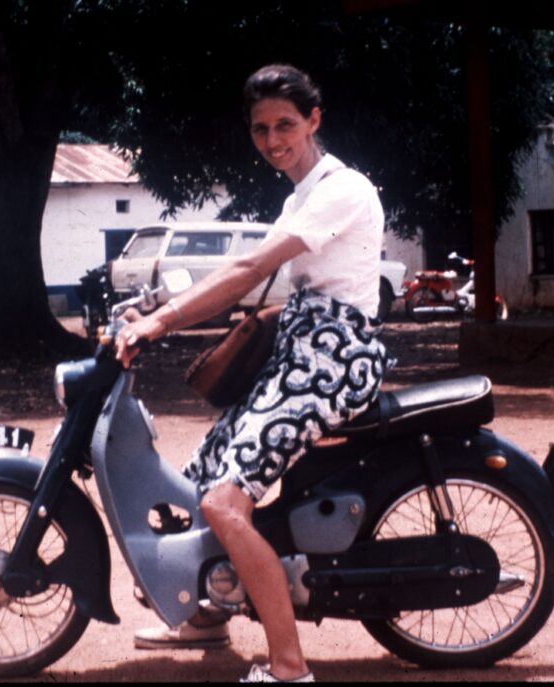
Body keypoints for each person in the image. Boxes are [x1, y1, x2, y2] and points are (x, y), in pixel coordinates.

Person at [115, 64, 393, 683]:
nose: (273, 140)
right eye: (261, 129)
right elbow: (248, 278)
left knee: (223, 501)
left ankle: (290, 667)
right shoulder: (300, 195)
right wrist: (158, 305)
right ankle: (208, 610)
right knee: (198, 477)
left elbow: (247, 269)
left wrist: (162, 325)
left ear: (314, 120)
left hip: (333, 362)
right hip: (300, 356)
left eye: (286, 125)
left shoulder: (341, 189)